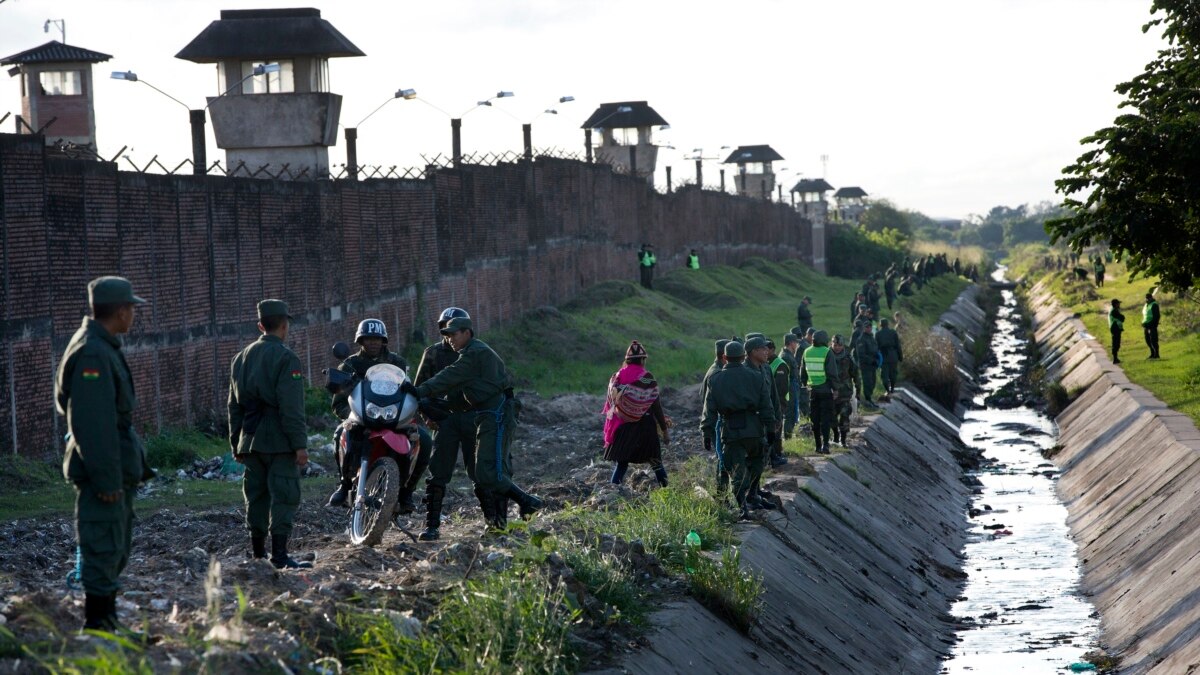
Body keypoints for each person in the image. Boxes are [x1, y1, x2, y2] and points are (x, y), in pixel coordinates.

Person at [56, 276, 154, 634]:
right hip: (103, 474)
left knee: (114, 545)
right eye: (131, 309)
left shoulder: (101, 345)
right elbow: (93, 426)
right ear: (120, 311)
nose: (134, 316)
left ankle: (108, 624)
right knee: (102, 545)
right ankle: (98, 630)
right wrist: (107, 478)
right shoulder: (93, 353)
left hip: (112, 470)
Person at [406, 317, 542, 531]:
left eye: (453, 334)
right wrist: (436, 406)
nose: (450, 339)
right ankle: (513, 512)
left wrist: (419, 391)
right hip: (486, 415)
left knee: (491, 472)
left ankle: (523, 504)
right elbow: (462, 393)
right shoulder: (469, 353)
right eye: (447, 335)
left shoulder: (474, 353)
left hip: (496, 415)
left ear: (467, 332)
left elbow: (449, 376)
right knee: (483, 472)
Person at [228, 299, 311, 570]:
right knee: (285, 493)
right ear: (285, 326)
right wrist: (300, 445)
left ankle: (257, 554)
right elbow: (291, 407)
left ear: (260, 325)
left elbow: (234, 406)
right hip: (278, 440)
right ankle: (279, 555)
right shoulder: (287, 358)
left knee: (256, 496)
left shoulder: (240, 358)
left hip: (249, 440)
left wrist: (236, 443)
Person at [328, 319, 432, 515]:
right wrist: (352, 416)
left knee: (425, 440)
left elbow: (406, 393)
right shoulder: (349, 365)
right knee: (339, 433)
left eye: (377, 339)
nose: (373, 343)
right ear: (361, 341)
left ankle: (407, 492)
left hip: (393, 418)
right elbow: (338, 403)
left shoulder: (397, 363)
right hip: (360, 417)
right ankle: (344, 484)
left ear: (384, 340)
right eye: (368, 339)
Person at [413, 307, 483, 541]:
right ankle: (432, 524)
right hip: (444, 420)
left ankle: (493, 521)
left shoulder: (477, 352)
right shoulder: (433, 354)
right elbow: (419, 389)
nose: (448, 333)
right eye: (444, 328)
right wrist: (427, 416)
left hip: (473, 418)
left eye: (452, 328)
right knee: (438, 473)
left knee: (481, 471)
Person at [700, 340, 775, 517]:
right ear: (743, 357)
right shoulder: (756, 376)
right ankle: (751, 492)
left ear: (725, 358)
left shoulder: (715, 379)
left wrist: (707, 433)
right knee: (757, 462)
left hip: (731, 429)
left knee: (736, 469)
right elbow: (766, 405)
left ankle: (742, 507)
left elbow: (709, 410)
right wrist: (771, 428)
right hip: (754, 428)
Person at [602, 341, 671, 487]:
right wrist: (664, 430)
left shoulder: (616, 377)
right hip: (645, 427)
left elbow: (612, 405)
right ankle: (667, 490)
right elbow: (656, 405)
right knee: (656, 463)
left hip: (623, 427)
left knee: (621, 465)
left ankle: (612, 492)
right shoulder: (646, 377)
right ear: (641, 360)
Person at [800, 330, 840, 454]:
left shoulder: (806, 351)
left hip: (812, 391)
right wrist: (836, 389)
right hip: (826, 390)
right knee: (825, 419)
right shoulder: (827, 352)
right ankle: (826, 445)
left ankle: (817, 446)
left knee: (815, 419)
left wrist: (805, 384)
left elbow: (802, 372)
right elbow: (832, 373)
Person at [829, 335, 860, 447]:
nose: (837, 348)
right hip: (831, 393)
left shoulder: (848, 357)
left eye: (840, 345)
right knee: (831, 417)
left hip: (845, 393)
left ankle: (843, 439)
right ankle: (835, 434)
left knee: (844, 416)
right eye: (835, 345)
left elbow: (855, 374)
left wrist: (858, 391)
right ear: (831, 344)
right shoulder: (827, 356)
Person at [781, 333, 802, 439]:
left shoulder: (789, 355)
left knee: (793, 414)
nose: (797, 345)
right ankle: (788, 438)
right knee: (790, 415)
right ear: (791, 343)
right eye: (796, 342)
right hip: (789, 390)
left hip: (793, 389)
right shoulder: (786, 357)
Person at [854, 321, 880, 406]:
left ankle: (869, 398)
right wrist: (871, 360)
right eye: (867, 327)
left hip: (873, 365)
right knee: (867, 382)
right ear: (864, 328)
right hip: (865, 365)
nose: (868, 328)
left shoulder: (871, 338)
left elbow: (875, 349)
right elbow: (861, 354)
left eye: (870, 327)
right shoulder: (861, 339)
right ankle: (868, 399)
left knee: (873, 382)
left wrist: (877, 359)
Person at [875, 318, 903, 396]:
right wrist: (900, 356)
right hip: (893, 355)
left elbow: (876, 348)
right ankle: (892, 388)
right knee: (893, 374)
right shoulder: (893, 332)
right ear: (887, 324)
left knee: (884, 375)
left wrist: (876, 359)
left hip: (883, 356)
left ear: (880, 325)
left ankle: (887, 390)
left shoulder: (878, 334)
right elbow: (898, 346)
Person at [1142, 292, 1160, 359]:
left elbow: (1156, 316)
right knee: (1148, 341)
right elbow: (1146, 315)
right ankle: (1152, 354)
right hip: (1146, 326)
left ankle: (1156, 354)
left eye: (1149, 298)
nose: (1148, 299)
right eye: (1147, 298)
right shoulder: (1146, 305)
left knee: (1153, 340)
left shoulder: (1154, 305)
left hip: (1152, 325)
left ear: (1151, 297)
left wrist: (1153, 324)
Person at [1108, 299, 1125, 364]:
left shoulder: (1113, 309)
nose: (1119, 305)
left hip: (1115, 327)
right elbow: (1121, 318)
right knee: (1116, 343)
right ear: (1115, 304)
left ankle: (1116, 358)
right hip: (1115, 327)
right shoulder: (1114, 311)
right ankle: (1115, 359)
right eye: (1118, 303)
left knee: (1116, 343)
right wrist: (1122, 317)